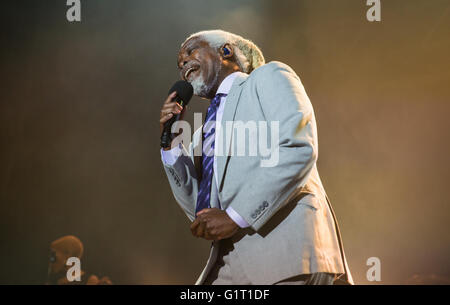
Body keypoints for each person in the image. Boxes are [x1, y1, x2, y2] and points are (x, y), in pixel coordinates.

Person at [159, 30, 353, 285]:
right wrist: (171, 142)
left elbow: (297, 148)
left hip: (284, 251)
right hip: (227, 261)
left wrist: (235, 217)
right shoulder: (203, 131)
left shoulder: (268, 77)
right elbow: (200, 210)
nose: (183, 63)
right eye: (179, 63)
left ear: (226, 51)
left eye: (191, 51)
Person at [46, 235, 112, 285]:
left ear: (67, 255)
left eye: (53, 256)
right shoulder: (52, 279)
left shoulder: (89, 281)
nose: (50, 260)